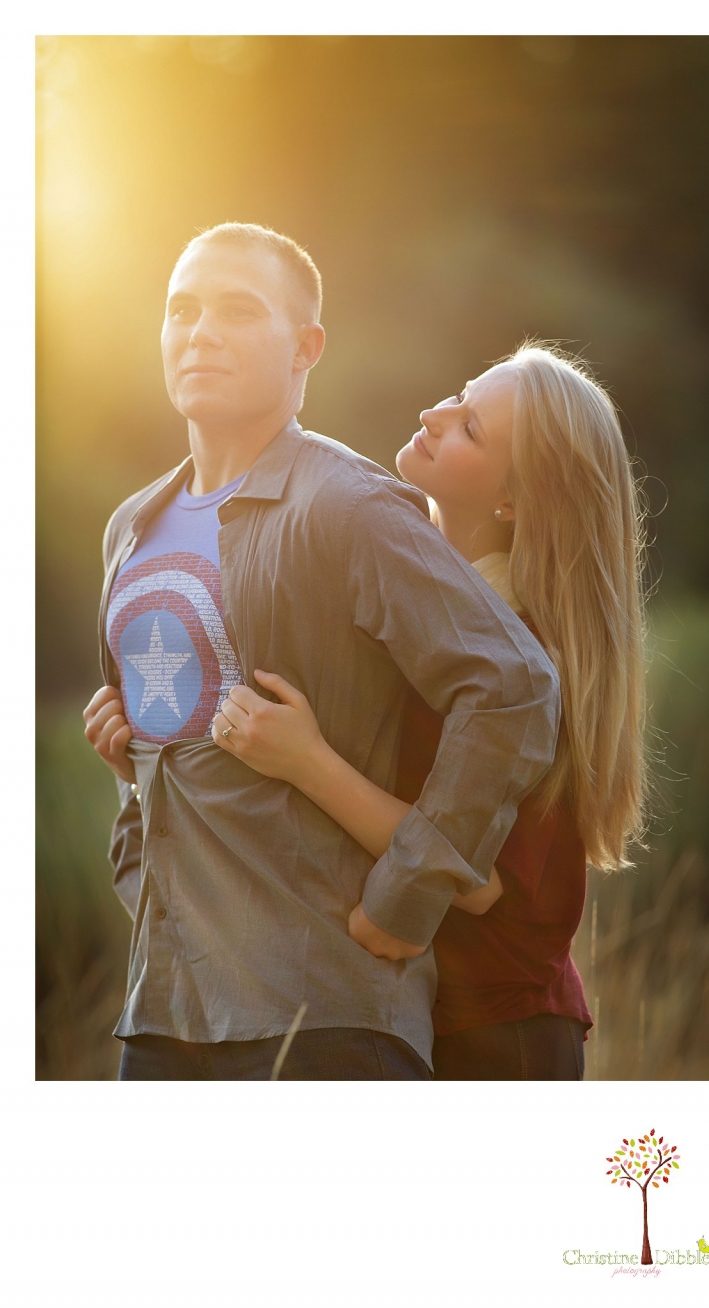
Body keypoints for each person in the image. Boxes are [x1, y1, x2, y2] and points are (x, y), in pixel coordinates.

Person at [82, 222, 560, 1081]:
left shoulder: (352, 506)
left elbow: (515, 687)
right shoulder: (129, 530)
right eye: (181, 310)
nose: (201, 332)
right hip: (162, 1017)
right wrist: (128, 782)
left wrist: (409, 899)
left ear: (307, 348)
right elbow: (161, 768)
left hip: (327, 1017)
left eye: (237, 310)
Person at [191, 342, 648, 1079]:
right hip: (434, 1013)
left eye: (470, 427)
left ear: (513, 499)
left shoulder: (509, 656)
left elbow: (476, 883)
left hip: (502, 1031)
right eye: (457, 395)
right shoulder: (419, 612)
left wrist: (309, 763)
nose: (435, 416)